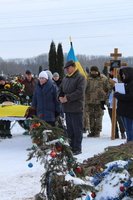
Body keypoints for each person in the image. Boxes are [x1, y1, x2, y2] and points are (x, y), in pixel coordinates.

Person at [59, 60, 86, 155]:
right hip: (67, 108)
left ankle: (77, 148)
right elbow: (61, 89)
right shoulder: (66, 78)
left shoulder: (80, 77)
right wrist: (60, 96)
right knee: (70, 129)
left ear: (73, 67)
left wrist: (68, 98)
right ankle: (71, 147)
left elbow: (80, 92)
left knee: (77, 129)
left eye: (68, 68)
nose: (66, 70)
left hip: (76, 107)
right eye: (66, 68)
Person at [85, 66, 111, 137]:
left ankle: (97, 131)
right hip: (89, 100)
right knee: (91, 116)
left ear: (98, 71)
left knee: (99, 116)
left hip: (100, 101)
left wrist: (105, 98)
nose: (93, 73)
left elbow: (108, 88)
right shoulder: (87, 78)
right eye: (92, 72)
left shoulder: (103, 78)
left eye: (95, 72)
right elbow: (83, 88)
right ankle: (92, 131)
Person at [114, 67, 133, 142]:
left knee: (130, 129)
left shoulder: (132, 84)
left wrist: (119, 96)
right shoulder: (126, 83)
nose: (123, 76)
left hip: (129, 111)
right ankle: (129, 142)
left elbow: (131, 96)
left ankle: (130, 144)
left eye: (124, 74)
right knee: (128, 129)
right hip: (125, 110)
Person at [107, 67, 125, 139]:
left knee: (120, 119)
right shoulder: (108, 81)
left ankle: (123, 132)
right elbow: (106, 90)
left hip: (118, 104)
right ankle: (115, 133)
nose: (112, 73)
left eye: (114, 72)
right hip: (110, 103)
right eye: (111, 72)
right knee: (113, 120)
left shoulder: (120, 80)